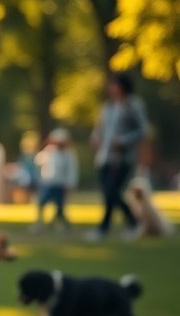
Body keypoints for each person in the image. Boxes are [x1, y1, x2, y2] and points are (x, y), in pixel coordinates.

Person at [88, 72, 148, 241]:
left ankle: (126, 224)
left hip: (122, 158)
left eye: (113, 84)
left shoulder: (133, 105)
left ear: (122, 86)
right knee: (109, 193)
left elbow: (142, 130)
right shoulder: (107, 107)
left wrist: (123, 141)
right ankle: (108, 228)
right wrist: (95, 137)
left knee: (112, 191)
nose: (110, 88)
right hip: (104, 157)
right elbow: (99, 129)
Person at [32, 128, 77, 233]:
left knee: (59, 206)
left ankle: (62, 224)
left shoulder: (68, 155)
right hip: (47, 183)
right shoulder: (49, 151)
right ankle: (40, 222)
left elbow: (71, 172)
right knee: (42, 203)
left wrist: (70, 185)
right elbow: (37, 161)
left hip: (60, 184)